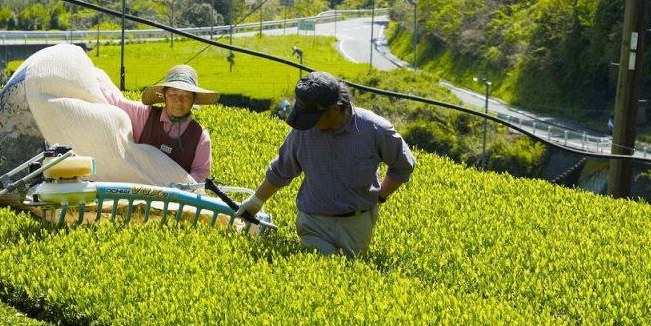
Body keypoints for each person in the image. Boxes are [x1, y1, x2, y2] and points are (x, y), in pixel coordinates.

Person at [236, 71, 415, 257]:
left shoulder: (375, 129)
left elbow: (403, 165)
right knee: (322, 266)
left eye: (312, 118)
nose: (309, 125)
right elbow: (282, 169)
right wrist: (255, 202)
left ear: (335, 109)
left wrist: (381, 196)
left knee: (346, 275)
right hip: (313, 222)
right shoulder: (303, 132)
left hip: (355, 225)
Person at [96, 64, 218, 182]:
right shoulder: (145, 115)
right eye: (173, 94)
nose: (179, 101)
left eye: (186, 96)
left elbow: (200, 173)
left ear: (193, 100)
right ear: (164, 95)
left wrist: (179, 188)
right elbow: (116, 102)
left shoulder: (200, 136)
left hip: (176, 200)